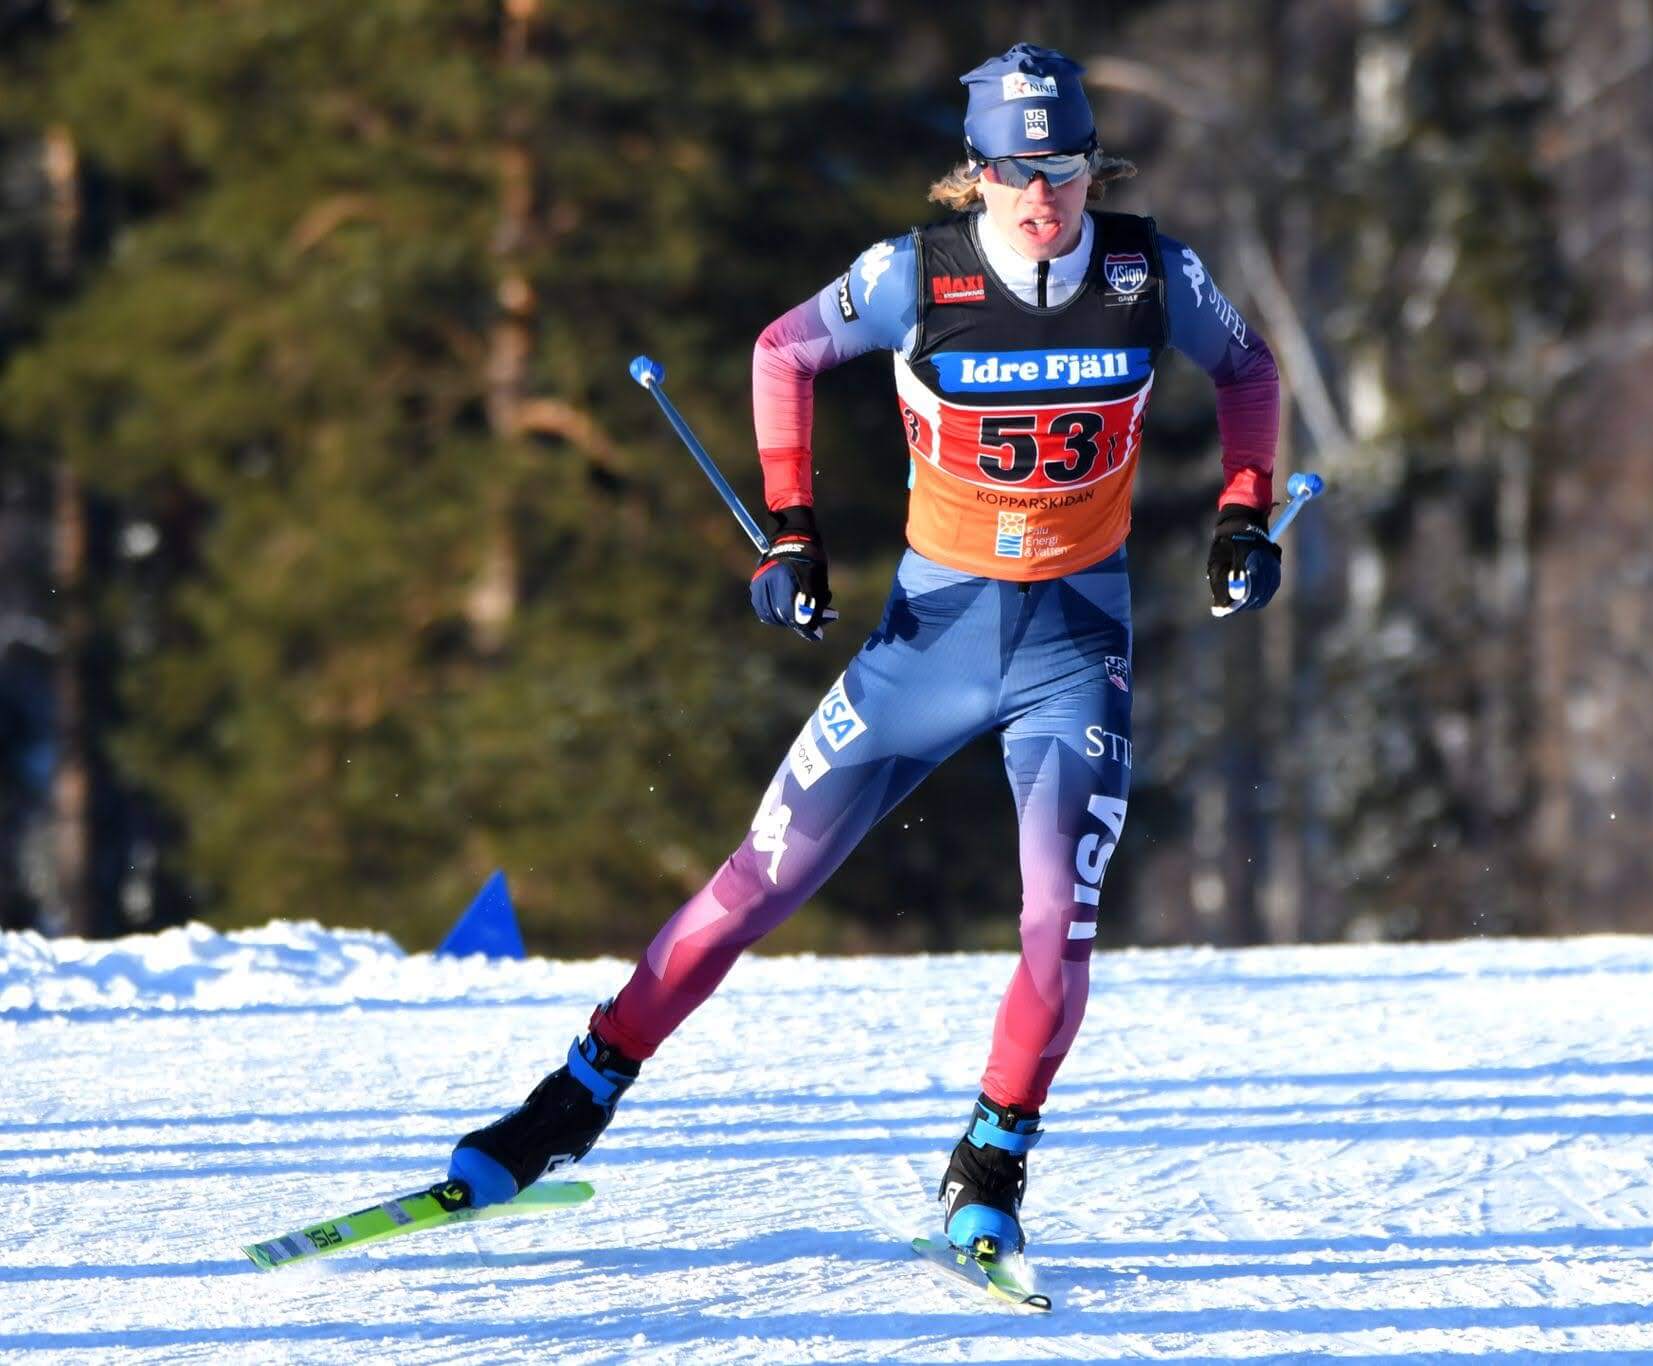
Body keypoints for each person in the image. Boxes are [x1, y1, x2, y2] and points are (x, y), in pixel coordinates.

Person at [449, 42, 1283, 1262]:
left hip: (1071, 646)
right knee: (753, 884)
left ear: (1090, 170)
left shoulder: (1149, 273)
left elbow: (1250, 367)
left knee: (1057, 922)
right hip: (924, 642)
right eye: (1013, 171)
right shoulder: (914, 276)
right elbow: (780, 353)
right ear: (977, 174)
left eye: (1062, 170)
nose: (1041, 198)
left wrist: (1242, 515)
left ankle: (992, 1158)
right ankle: (573, 1096)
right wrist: (790, 533)